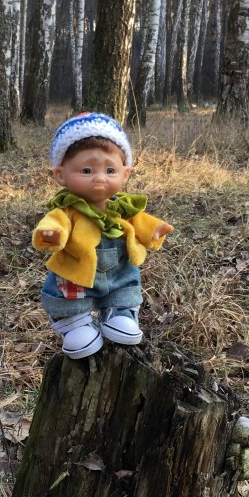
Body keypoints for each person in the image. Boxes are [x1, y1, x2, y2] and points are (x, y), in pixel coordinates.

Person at [32, 113, 173, 358]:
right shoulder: (67, 211)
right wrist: (51, 235)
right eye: (86, 170)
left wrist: (155, 230)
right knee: (70, 295)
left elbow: (139, 221)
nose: (99, 177)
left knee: (125, 285)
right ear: (61, 175)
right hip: (77, 272)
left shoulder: (123, 207)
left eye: (110, 169)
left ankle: (119, 312)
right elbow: (56, 223)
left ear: (125, 174)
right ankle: (75, 323)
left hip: (118, 271)